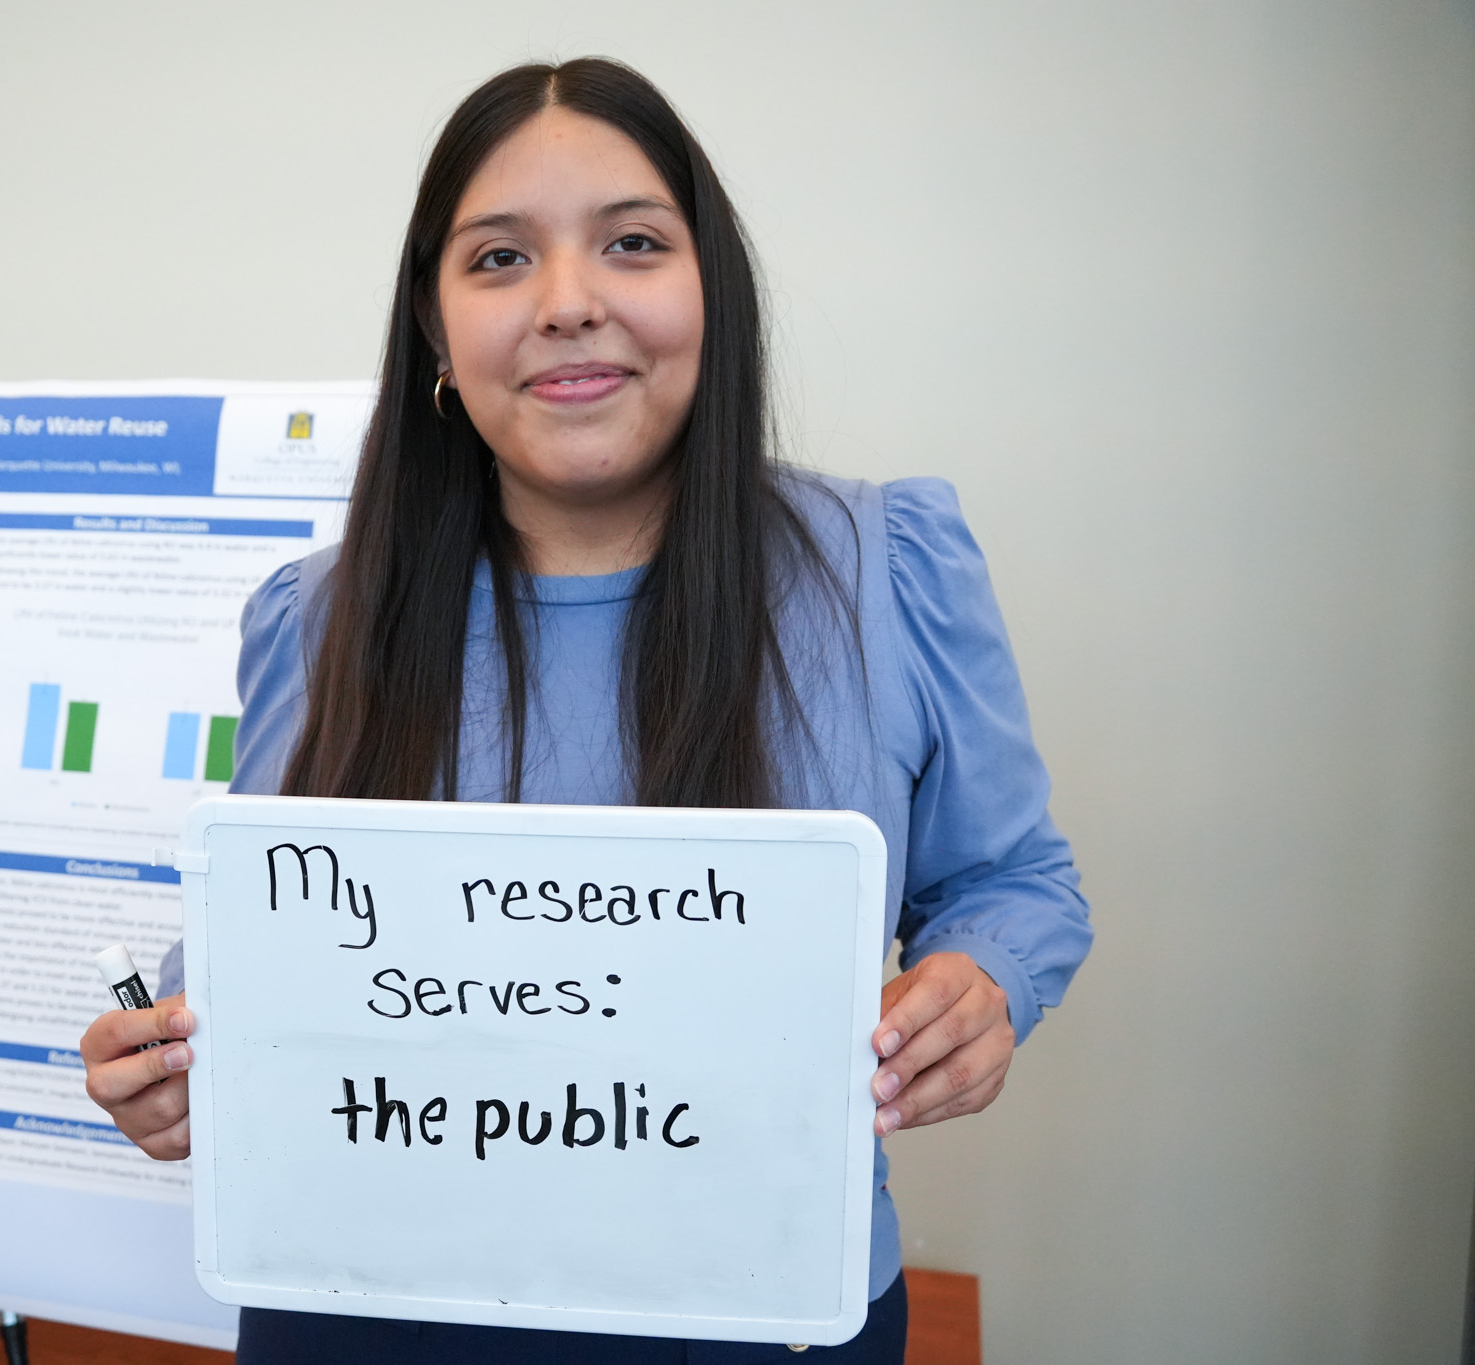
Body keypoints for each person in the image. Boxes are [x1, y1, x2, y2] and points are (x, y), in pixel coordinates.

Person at [80, 56, 1093, 1364]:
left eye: (632, 243)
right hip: (361, 1304)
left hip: (761, 1312)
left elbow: (1016, 877)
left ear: (713, 288)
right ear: (435, 329)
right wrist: (171, 1050)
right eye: (499, 259)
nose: (567, 303)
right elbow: (265, 928)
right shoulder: (318, 615)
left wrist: (986, 979)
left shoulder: (887, 567)